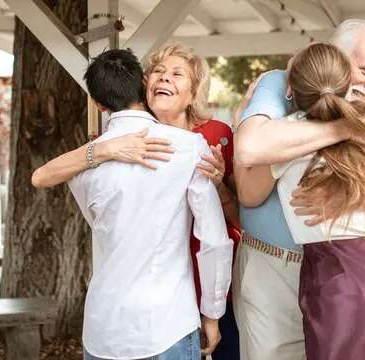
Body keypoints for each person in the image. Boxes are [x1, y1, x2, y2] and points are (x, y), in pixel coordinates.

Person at [232, 19, 365, 360]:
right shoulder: (278, 82)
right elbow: (250, 154)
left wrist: (348, 193)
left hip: (345, 279)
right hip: (274, 269)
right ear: (334, 55)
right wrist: (345, 126)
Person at [31, 44, 241, 359]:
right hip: (166, 321)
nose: (165, 79)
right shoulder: (190, 149)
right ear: (144, 84)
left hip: (104, 327)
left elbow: (100, 223)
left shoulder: (81, 165)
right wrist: (212, 315)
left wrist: (102, 151)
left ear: (97, 103)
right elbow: (213, 240)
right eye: (159, 72)